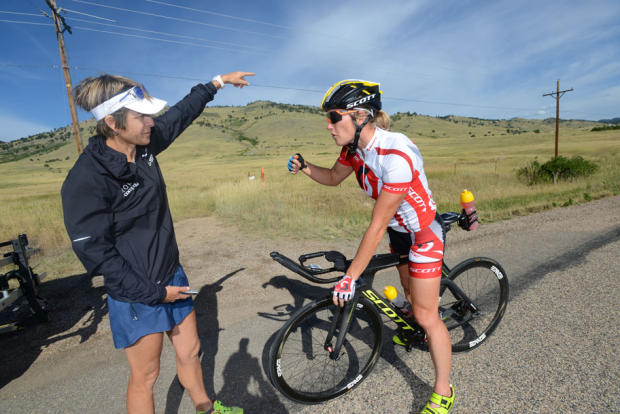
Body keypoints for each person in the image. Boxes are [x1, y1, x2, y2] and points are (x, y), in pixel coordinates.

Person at [61, 71, 254, 414]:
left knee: (190, 351)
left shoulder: (145, 145)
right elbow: (97, 254)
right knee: (146, 375)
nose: (151, 122)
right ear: (113, 123)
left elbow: (180, 115)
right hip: (135, 289)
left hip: (171, 273)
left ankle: (206, 408)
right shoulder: (86, 178)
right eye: (142, 116)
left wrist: (217, 83)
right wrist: (153, 293)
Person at [287, 80, 454, 414]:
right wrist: (305, 167)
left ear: (360, 116)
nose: (329, 125)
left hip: (423, 234)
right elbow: (332, 177)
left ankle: (443, 390)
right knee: (410, 299)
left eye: (334, 117)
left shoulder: (396, 154)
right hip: (399, 232)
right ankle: (414, 326)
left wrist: (350, 277)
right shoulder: (354, 151)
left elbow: (376, 225)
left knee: (425, 314)